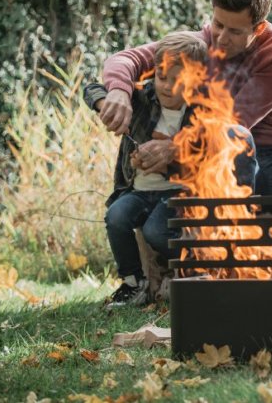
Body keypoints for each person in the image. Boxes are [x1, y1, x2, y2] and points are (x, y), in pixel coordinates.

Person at [97, 0, 272, 223]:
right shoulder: (198, 46)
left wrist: (175, 147)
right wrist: (119, 91)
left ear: (259, 28)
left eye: (235, 31)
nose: (221, 38)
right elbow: (126, 59)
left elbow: (234, 120)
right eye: (218, 24)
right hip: (217, 167)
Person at [85, 31, 257, 307]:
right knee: (116, 216)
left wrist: (168, 160)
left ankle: (195, 269)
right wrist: (107, 102)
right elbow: (91, 88)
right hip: (138, 190)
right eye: (162, 77)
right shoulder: (142, 97)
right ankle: (133, 283)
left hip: (176, 192)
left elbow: (207, 158)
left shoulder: (202, 113)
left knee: (155, 231)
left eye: (178, 81)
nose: (166, 86)